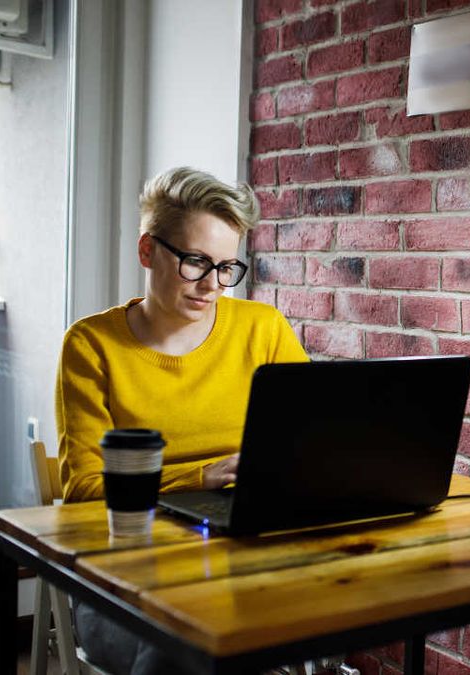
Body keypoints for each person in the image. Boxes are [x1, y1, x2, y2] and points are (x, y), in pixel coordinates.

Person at [55, 166, 308, 673]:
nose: (213, 285)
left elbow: (312, 440)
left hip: (244, 556)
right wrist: (198, 478)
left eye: (226, 267)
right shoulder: (90, 346)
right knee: (181, 655)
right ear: (148, 251)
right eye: (195, 262)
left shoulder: (263, 329)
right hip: (125, 567)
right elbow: (82, 488)